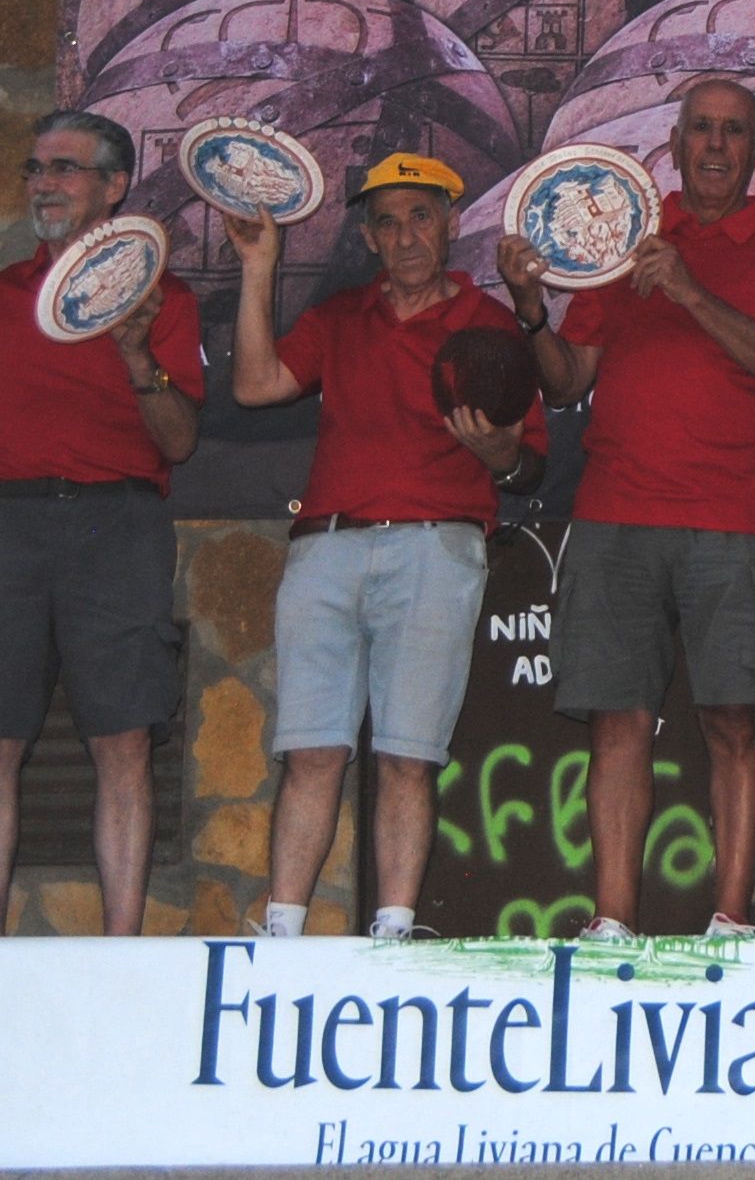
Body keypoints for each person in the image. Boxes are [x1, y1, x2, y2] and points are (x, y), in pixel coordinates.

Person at [498, 79, 755, 941]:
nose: (716, 146)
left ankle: (729, 920)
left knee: (734, 721)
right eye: (700, 131)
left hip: (733, 515)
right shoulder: (624, 246)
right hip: (615, 511)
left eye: (734, 132)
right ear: (673, 148)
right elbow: (568, 378)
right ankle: (612, 921)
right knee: (617, 720)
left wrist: (687, 292)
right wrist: (532, 308)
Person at [0, 110, 204, 939]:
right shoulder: (1, 296)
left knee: (124, 739)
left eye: (64, 169)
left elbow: (181, 441)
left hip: (120, 523)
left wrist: (139, 358)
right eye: (34, 169)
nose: (44, 184)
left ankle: (121, 947)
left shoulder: (163, 297)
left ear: (114, 186)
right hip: (10, 524)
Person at [228, 152, 546, 939]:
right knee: (310, 752)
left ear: (452, 224)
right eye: (388, 221)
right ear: (368, 237)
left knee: (407, 756)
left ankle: (394, 934)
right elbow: (255, 385)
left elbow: (528, 460)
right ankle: (283, 933)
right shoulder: (341, 317)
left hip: (436, 548)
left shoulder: (491, 327)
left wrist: (494, 450)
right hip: (327, 547)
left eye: (421, 217)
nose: (406, 236)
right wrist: (260, 266)